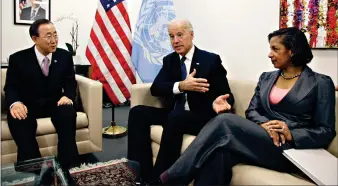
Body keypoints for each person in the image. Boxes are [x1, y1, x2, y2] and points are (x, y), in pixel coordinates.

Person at [154, 27, 336, 186]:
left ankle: (172, 178)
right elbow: (252, 111)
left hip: (289, 150)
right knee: (218, 154)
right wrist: (266, 124)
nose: (269, 54)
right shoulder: (266, 77)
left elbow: (325, 130)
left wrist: (290, 133)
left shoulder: (320, 83)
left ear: (292, 51)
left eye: (275, 49)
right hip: (260, 139)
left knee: (224, 120)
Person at [128, 19, 234, 183]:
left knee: (176, 117)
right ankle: (140, 172)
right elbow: (156, 88)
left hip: (201, 116)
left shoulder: (210, 60)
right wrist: (181, 86)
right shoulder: (170, 60)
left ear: (191, 35)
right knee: (138, 112)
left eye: (179, 35)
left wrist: (218, 102)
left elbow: (227, 94)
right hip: (175, 115)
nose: (175, 41)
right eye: (171, 36)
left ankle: (158, 179)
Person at [4, 19, 79, 170]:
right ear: (34, 39)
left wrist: (68, 96)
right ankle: (34, 169)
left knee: (68, 113)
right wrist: (15, 103)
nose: (54, 41)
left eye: (55, 35)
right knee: (19, 120)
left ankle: (69, 166)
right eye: (48, 36)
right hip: (28, 104)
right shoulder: (18, 59)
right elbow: (11, 87)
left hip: (54, 102)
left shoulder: (64, 56)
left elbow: (71, 82)